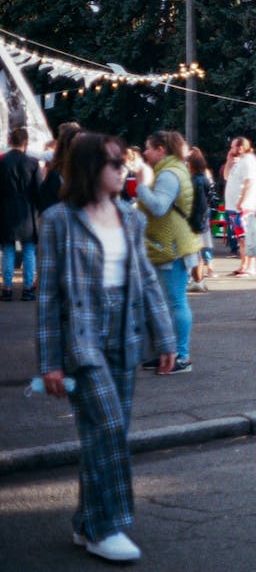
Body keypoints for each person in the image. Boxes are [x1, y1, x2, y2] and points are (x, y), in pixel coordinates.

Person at [37, 132, 177, 562]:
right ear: (89, 169)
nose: (124, 169)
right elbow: (48, 297)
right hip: (83, 336)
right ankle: (107, 527)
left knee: (102, 434)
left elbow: (148, 280)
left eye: (123, 162)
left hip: (126, 330)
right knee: (111, 428)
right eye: (115, 163)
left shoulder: (131, 218)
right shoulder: (60, 219)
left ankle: (84, 521)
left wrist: (166, 337)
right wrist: (50, 362)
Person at [137, 131, 202, 375]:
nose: (145, 153)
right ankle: (167, 354)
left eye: (148, 148)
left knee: (174, 302)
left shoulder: (168, 174)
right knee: (165, 303)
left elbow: (158, 206)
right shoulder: (175, 170)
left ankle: (181, 357)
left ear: (161, 149)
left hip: (171, 246)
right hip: (173, 243)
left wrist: (141, 185)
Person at [1, 126, 42, 301]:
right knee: (29, 251)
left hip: (5, 211)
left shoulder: (1, 162)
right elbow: (38, 190)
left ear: (10, 141)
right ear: (26, 142)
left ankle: (7, 289)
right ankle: (27, 290)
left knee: (8, 250)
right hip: (28, 212)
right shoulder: (32, 163)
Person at [223, 136, 256, 275]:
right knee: (241, 238)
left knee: (246, 237)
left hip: (244, 206)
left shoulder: (248, 161)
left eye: (233, 147)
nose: (231, 149)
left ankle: (250, 266)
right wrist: (228, 161)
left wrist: (242, 201)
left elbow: (249, 182)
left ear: (241, 147)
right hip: (234, 206)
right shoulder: (239, 162)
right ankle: (244, 264)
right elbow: (226, 176)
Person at [185, 148, 217, 291]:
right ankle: (199, 279)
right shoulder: (205, 179)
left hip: (192, 219)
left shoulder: (191, 181)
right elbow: (212, 199)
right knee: (198, 250)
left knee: (192, 251)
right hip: (203, 217)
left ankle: (195, 279)